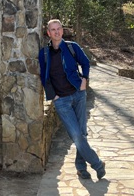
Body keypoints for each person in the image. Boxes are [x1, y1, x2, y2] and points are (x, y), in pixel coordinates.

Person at [39, 19, 105, 180]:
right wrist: (53, 95)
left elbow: (85, 63)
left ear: (62, 30)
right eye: (53, 30)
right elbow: (44, 76)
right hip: (61, 101)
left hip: (78, 95)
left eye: (58, 29)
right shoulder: (44, 53)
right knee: (76, 134)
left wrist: (85, 80)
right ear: (48, 33)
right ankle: (97, 164)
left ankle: (81, 168)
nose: (56, 32)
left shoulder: (71, 47)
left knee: (81, 133)